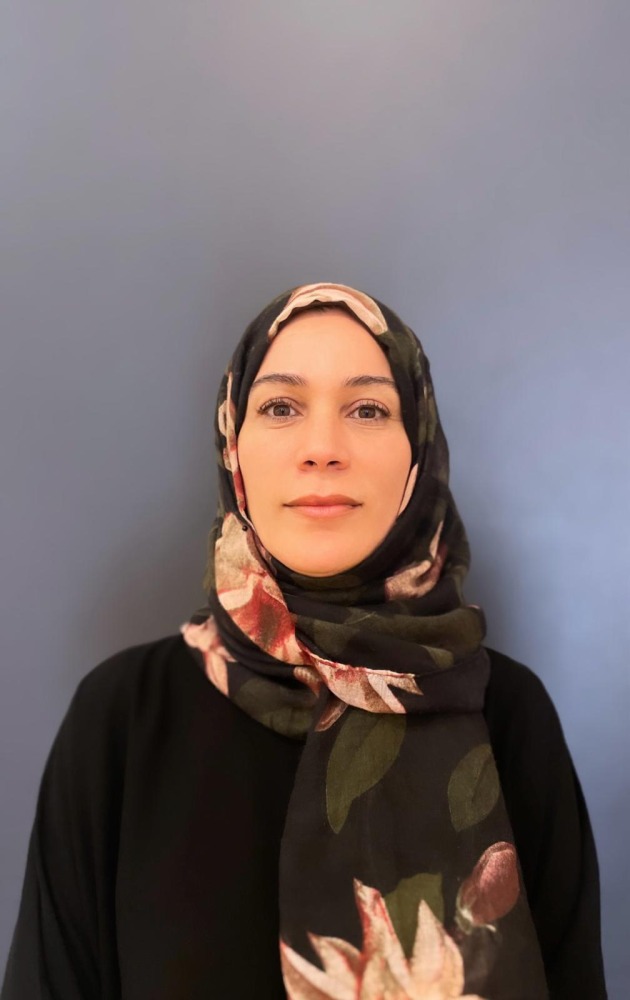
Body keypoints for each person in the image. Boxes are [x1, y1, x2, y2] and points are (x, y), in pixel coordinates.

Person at [2, 283, 606, 999]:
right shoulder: (124, 719)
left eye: (368, 409)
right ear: (234, 446)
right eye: (281, 407)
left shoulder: (508, 714)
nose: (322, 449)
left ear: (418, 452)